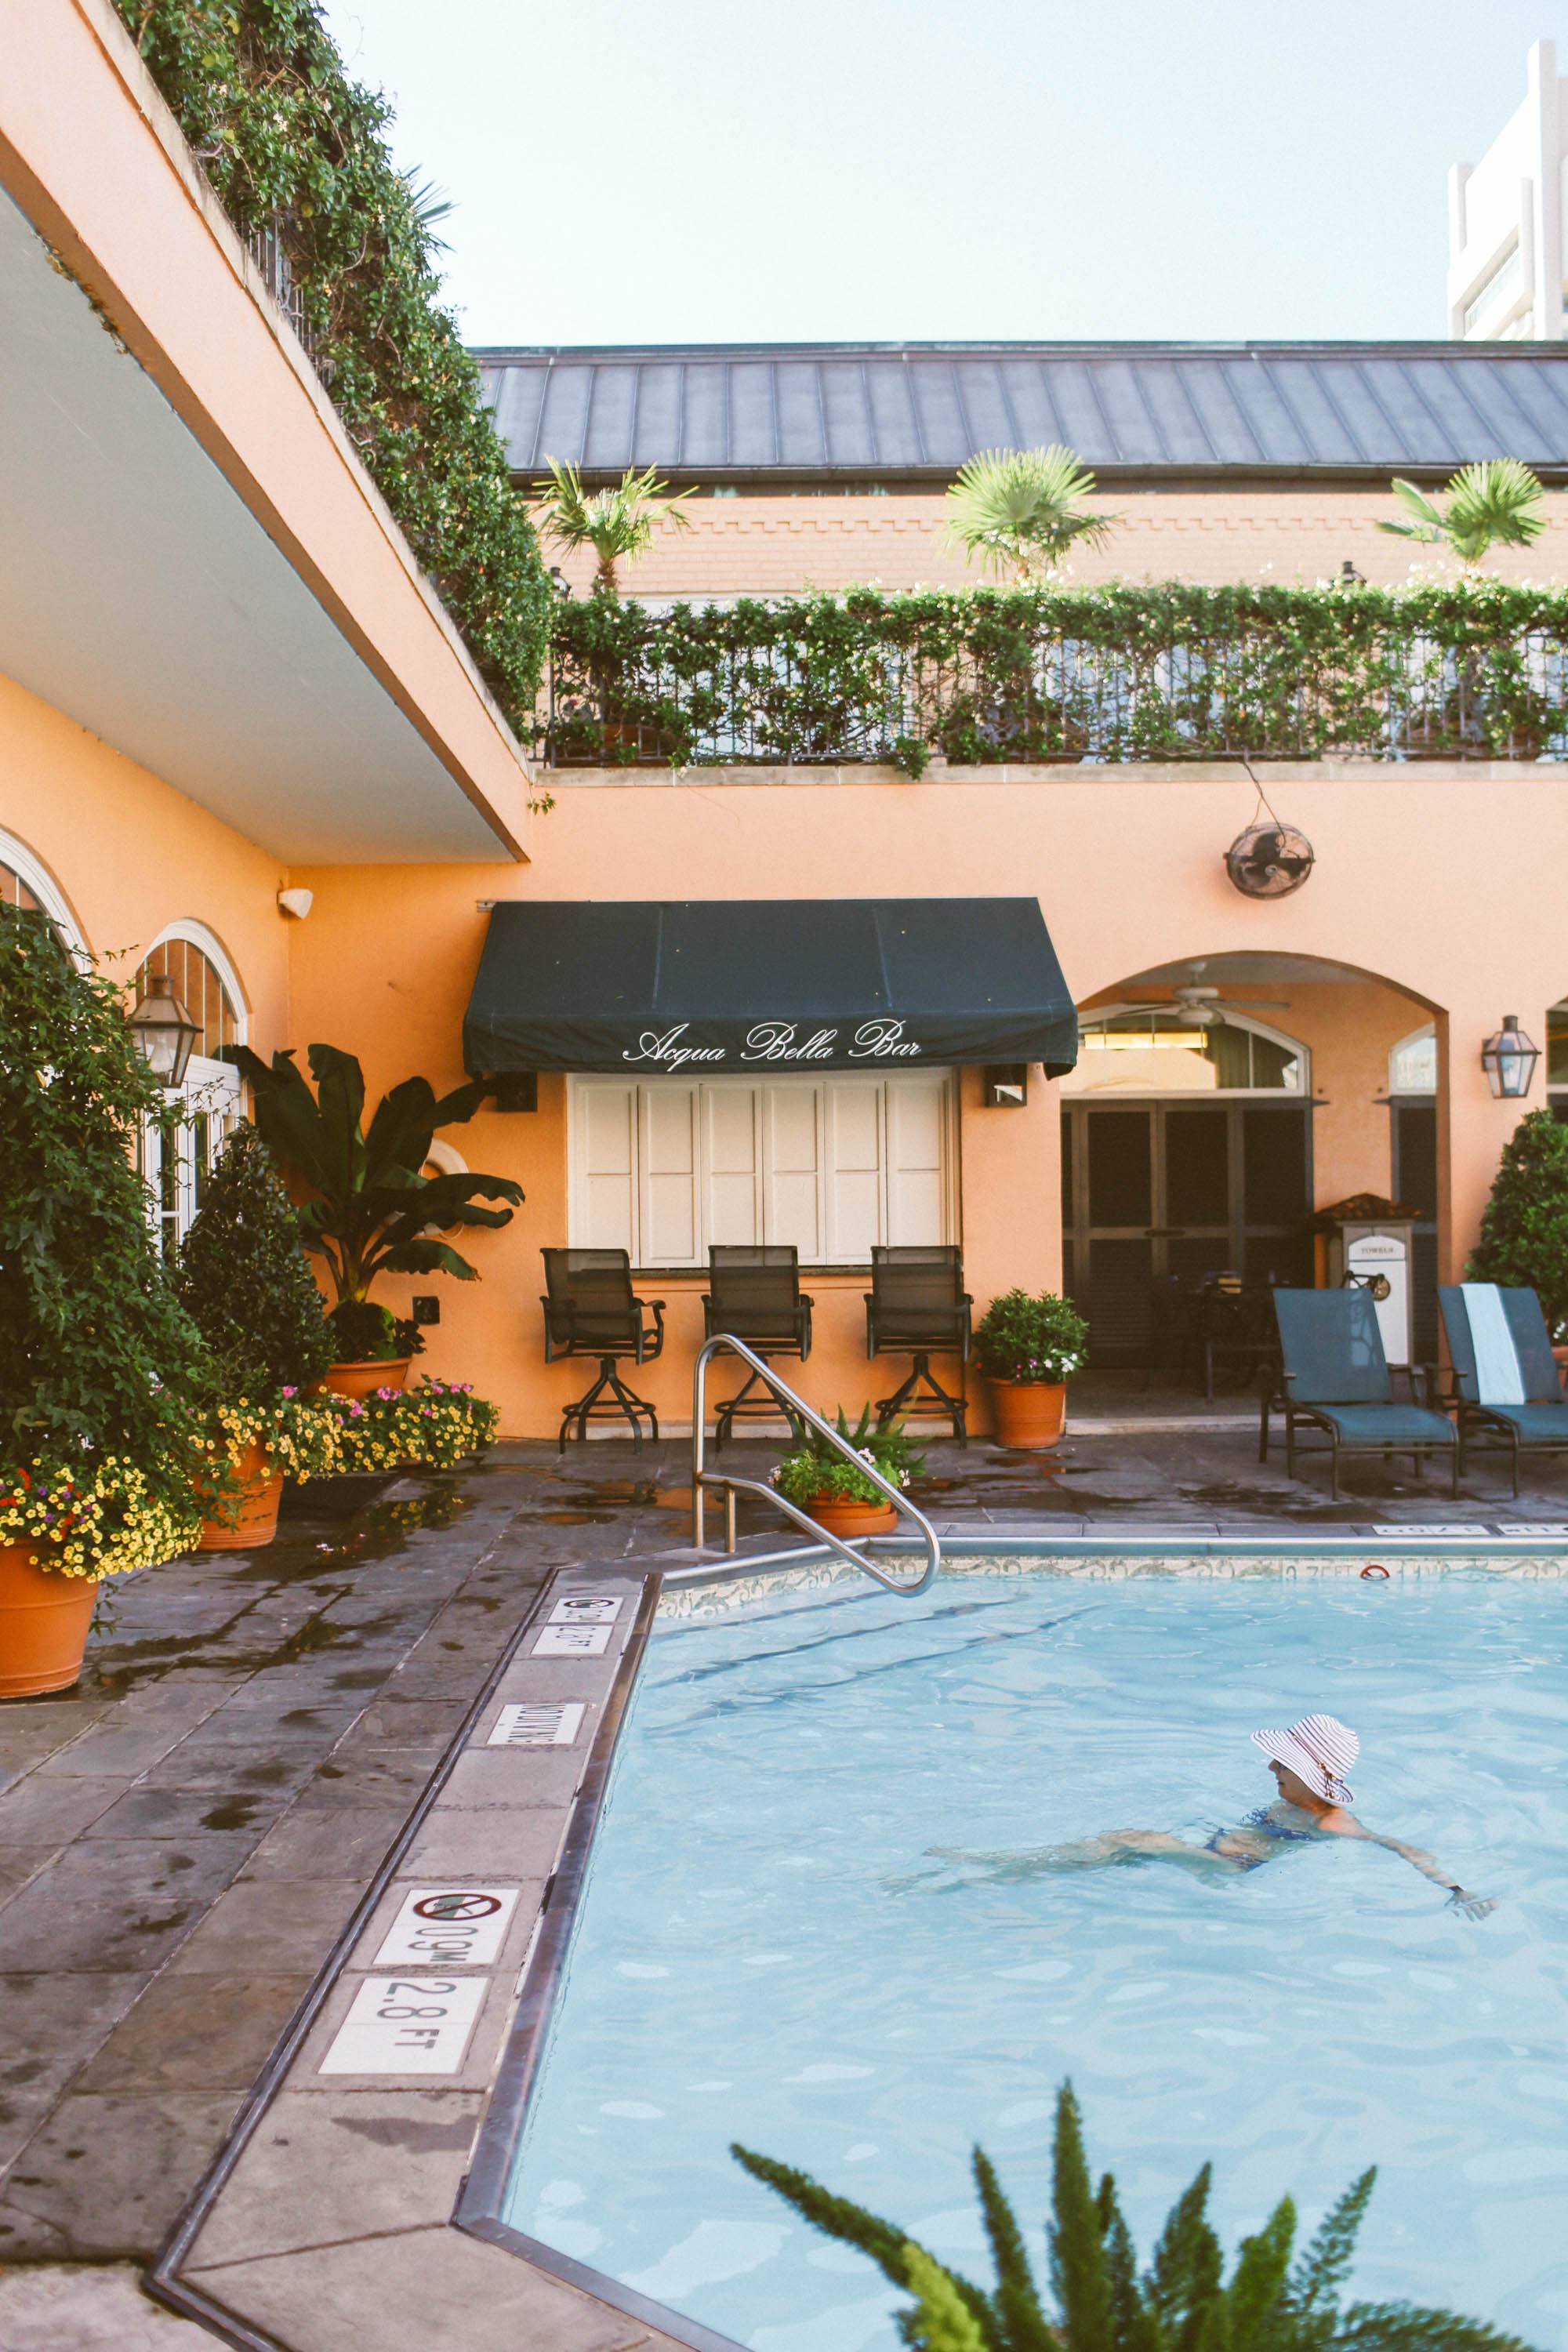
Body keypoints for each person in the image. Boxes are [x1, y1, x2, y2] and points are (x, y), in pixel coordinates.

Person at [913, 1713, 1496, 1919]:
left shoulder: (1331, 1822)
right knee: (1112, 1855)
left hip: (1231, 1867)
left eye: (1284, 1763)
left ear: (1314, 1779)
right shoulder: (1296, 1802)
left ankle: (988, 1864)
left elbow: (1399, 1847)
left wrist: (1458, 1889)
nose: (1271, 1765)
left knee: (1127, 1838)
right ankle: (995, 1873)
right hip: (1221, 1851)